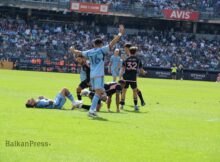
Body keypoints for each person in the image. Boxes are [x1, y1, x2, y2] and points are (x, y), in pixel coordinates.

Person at [70, 25, 125, 117]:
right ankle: (91, 110)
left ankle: (90, 102)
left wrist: (72, 50)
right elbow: (112, 43)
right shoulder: (102, 50)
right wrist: (120, 34)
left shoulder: (89, 51)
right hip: (99, 75)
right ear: (100, 44)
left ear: (94, 44)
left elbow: (79, 53)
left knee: (100, 93)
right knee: (98, 93)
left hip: (92, 75)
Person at [119, 46, 146, 111]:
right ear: (135, 52)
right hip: (133, 78)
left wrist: (120, 77)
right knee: (134, 91)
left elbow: (122, 69)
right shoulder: (138, 60)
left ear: (129, 52)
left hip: (125, 77)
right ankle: (136, 105)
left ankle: (122, 105)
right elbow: (141, 70)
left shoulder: (126, 59)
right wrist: (144, 73)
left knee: (124, 91)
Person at [25, 88, 89, 110]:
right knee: (64, 89)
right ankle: (74, 102)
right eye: (29, 101)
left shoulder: (37, 103)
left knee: (65, 92)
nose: (29, 99)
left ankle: (75, 104)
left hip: (56, 103)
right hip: (57, 104)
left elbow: (45, 103)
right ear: (32, 104)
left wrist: (43, 98)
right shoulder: (39, 103)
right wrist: (50, 100)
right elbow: (49, 102)